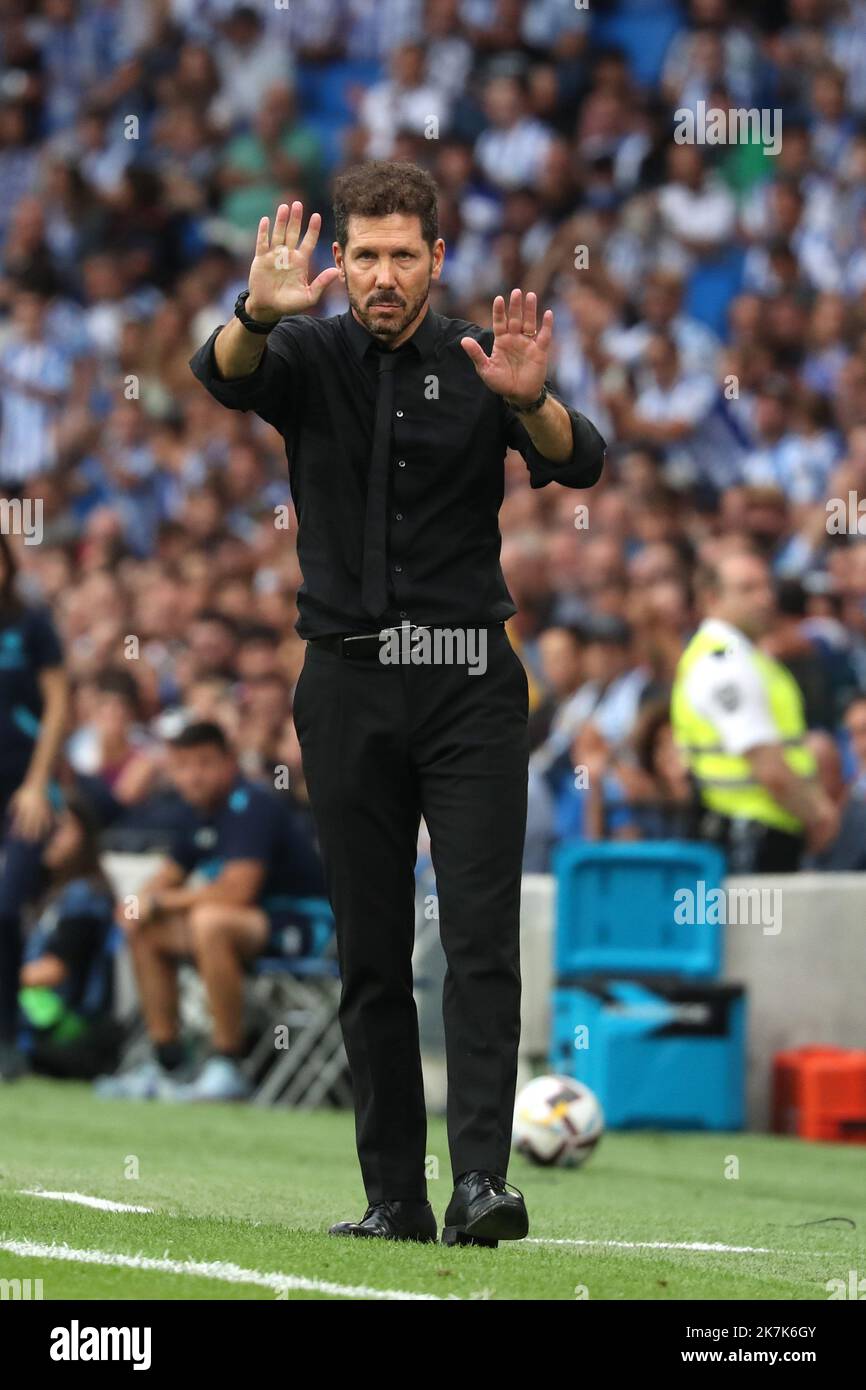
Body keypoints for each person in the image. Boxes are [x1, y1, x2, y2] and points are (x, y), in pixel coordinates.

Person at [189, 161, 605, 1246]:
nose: (379, 275)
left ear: (434, 258)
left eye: (399, 255)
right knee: (369, 950)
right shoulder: (306, 348)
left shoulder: (484, 358)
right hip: (346, 679)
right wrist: (251, 311)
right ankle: (393, 1197)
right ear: (344, 260)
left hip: (470, 682)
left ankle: (479, 1185)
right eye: (363, 255)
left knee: (478, 939)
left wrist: (533, 404)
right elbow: (222, 375)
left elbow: (582, 461)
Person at [96, 721, 325, 1103]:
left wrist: (160, 903)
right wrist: (135, 905)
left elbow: (238, 890)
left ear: (229, 762)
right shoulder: (194, 814)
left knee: (210, 922)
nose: (193, 776)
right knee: (147, 930)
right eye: (183, 766)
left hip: (304, 925)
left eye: (204, 764)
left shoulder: (254, 804)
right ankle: (167, 1064)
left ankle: (227, 1065)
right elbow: (164, 879)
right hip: (246, 925)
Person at [670, 549, 838, 871]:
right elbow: (769, 768)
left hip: (755, 831)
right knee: (760, 924)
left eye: (766, 586)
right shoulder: (725, 662)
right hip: (749, 837)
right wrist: (819, 814)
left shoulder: (742, 656)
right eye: (747, 589)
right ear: (711, 598)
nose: (765, 598)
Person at [0, 533, 69, 1081]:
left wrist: (37, 782)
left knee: (6, 908)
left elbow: (59, 703)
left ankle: (8, 1040)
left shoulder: (32, 625)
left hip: (23, 792)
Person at [18, 792, 120, 1079]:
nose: (51, 836)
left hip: (69, 1024)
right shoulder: (47, 892)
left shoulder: (86, 897)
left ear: (85, 837)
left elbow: (54, 971)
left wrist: (7, 978)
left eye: (62, 829)